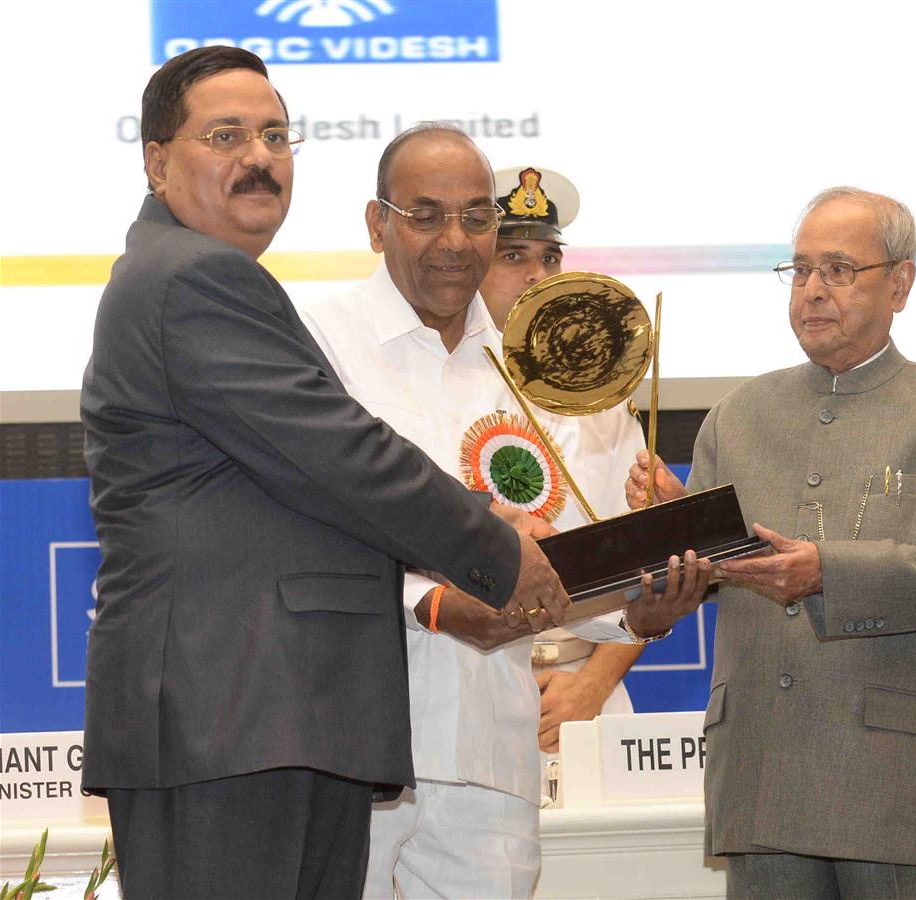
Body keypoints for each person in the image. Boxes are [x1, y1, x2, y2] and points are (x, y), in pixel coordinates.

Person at [80, 49, 569, 898]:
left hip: (270, 717)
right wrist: (493, 548)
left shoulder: (207, 277)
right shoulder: (190, 279)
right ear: (158, 162)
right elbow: (340, 455)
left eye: (275, 135)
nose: (259, 158)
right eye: (225, 135)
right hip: (232, 714)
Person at [298, 124, 710, 899]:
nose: (456, 240)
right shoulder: (319, 338)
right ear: (377, 222)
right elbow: (295, 532)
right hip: (352, 741)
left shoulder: (533, 370)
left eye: (476, 218)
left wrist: (640, 605)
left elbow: (559, 563)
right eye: (427, 215)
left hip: (491, 750)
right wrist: (434, 605)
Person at [628, 187, 916, 899]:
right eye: (800, 269)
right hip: (762, 770)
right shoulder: (735, 417)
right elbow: (698, 584)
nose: (811, 290)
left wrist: (825, 573)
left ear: (899, 283)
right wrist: (671, 537)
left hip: (900, 780)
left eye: (838, 269)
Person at [477, 164, 649, 753]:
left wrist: (591, 687)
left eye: (549, 258)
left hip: (587, 699)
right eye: (513, 255)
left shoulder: (597, 397)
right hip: (471, 683)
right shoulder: (434, 382)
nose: (536, 275)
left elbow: (642, 570)